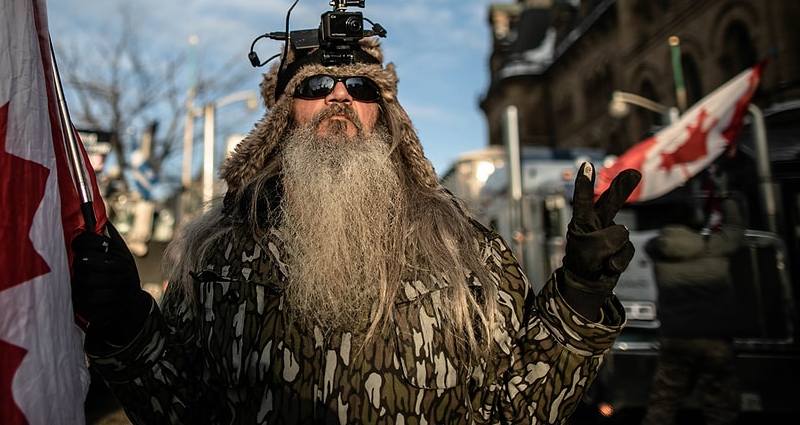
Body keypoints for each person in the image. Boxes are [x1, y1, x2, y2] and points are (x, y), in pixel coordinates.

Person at [71, 31, 641, 424]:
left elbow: (519, 412)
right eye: (316, 86)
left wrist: (578, 298)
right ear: (283, 114)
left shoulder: (466, 253)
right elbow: (181, 411)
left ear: (383, 110)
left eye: (361, 87)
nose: (340, 96)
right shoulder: (218, 255)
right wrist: (127, 326)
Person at [640, 168, 746, 425]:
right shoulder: (713, 247)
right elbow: (736, 230)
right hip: (714, 337)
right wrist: (724, 196)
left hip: (676, 336)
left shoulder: (660, 250)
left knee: (664, 402)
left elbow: (649, 245)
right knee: (720, 405)